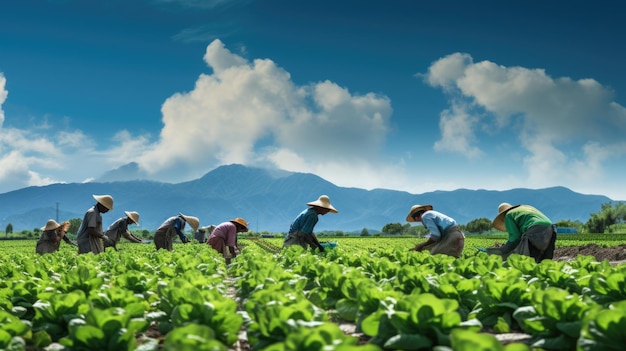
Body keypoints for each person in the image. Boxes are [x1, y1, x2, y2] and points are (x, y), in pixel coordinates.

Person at [489, 202, 556, 262]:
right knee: (545, 260)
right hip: (551, 229)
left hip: (534, 229)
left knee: (530, 258)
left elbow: (515, 236)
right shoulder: (524, 208)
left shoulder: (508, 215)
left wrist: (504, 249)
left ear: (503, 215)